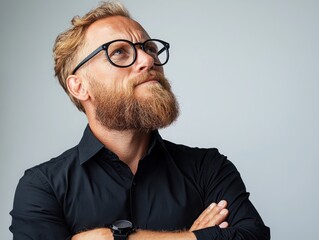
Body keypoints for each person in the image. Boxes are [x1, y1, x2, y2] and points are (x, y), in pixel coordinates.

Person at [10, 1, 270, 240]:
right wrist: (192, 237)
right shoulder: (43, 187)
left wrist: (117, 238)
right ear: (79, 87)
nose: (148, 60)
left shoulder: (209, 169)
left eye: (148, 48)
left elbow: (252, 236)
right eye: (119, 52)